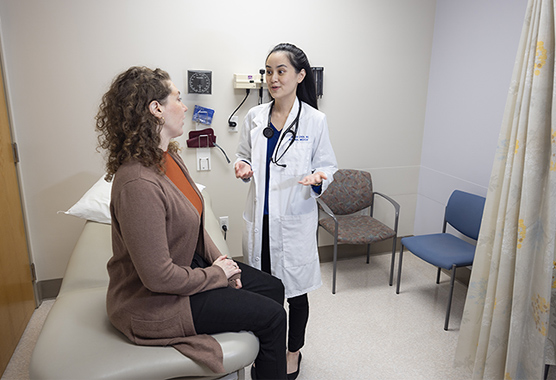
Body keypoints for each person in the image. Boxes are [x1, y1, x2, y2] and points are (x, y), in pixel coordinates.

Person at [95, 66, 287, 380]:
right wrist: (216, 275)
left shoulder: (167, 158)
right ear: (156, 109)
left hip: (187, 268)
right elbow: (158, 278)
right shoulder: (138, 184)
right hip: (155, 302)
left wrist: (221, 261)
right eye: (178, 99)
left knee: (272, 287)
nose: (184, 107)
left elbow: (196, 224)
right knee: (274, 317)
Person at [235, 43, 338, 379]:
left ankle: (293, 352)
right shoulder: (255, 116)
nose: (273, 78)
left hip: (293, 221)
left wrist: (319, 177)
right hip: (260, 220)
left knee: (295, 291)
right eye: (268, 71)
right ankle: (265, 346)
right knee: (263, 289)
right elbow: (243, 154)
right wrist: (242, 165)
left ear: (300, 75)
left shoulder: (315, 120)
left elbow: (326, 165)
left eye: (281, 71)